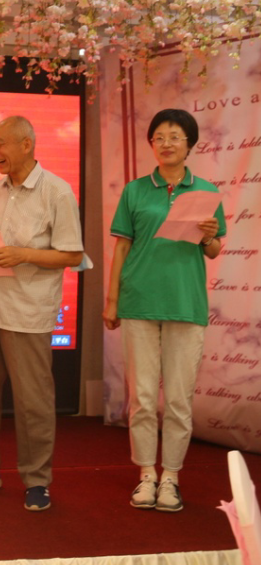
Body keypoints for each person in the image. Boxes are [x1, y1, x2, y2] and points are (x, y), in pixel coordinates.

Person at [0, 115, 83, 512]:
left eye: (1, 143)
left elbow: (72, 254)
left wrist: (24, 255)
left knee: (32, 402)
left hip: (28, 312)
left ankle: (37, 480)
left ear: (27, 144)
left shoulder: (57, 191)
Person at [103, 108, 225, 513]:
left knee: (177, 399)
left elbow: (213, 250)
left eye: (175, 136)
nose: (166, 143)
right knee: (141, 397)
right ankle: (146, 475)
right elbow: (122, 246)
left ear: (190, 144)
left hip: (185, 304)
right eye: (159, 137)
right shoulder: (136, 191)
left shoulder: (206, 191)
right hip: (139, 301)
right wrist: (112, 300)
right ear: (151, 144)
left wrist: (208, 236)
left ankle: (171, 476)